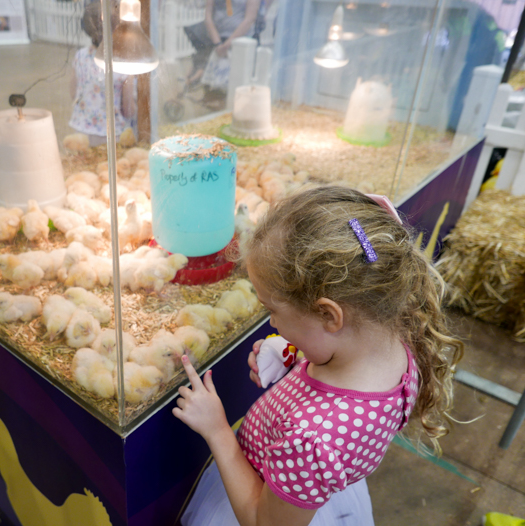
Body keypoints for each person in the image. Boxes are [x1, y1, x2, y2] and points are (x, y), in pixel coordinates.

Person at [173, 185, 464, 525]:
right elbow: (338, 380)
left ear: (329, 315)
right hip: (305, 489)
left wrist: (218, 430)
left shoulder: (312, 441)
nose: (271, 322)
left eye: (273, 310)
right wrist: (298, 359)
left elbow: (262, 521)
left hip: (269, 495)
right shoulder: (389, 333)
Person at [69, 1, 135, 147]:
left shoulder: (80, 56)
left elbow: (73, 93)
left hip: (80, 131)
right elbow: (129, 108)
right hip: (113, 135)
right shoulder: (123, 63)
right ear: (118, 27)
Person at [184, 0, 262, 96]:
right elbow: (208, 17)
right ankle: (194, 82)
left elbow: (250, 19)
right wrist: (218, 43)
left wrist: (228, 44)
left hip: (241, 42)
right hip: (216, 40)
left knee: (238, 84)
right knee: (211, 83)